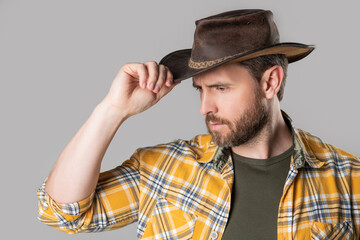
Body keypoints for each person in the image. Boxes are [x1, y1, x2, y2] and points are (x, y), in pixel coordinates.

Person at [37, 9, 360, 239]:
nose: (206, 108)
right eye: (200, 90)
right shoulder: (164, 167)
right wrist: (112, 110)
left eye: (221, 88)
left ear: (269, 83)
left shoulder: (349, 179)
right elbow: (64, 214)